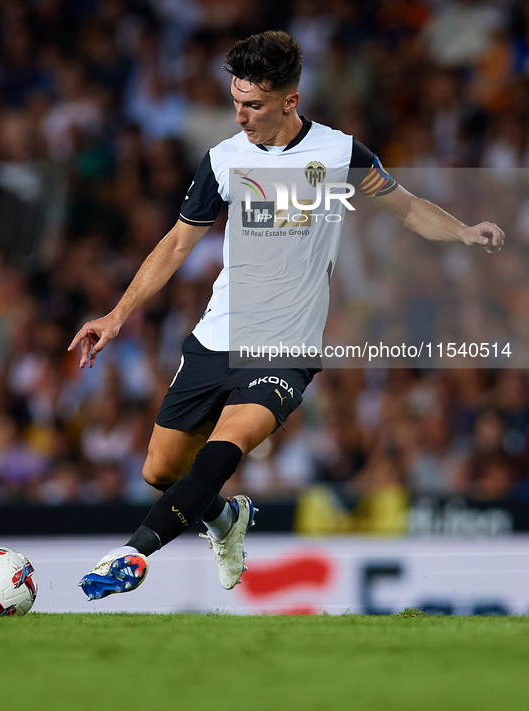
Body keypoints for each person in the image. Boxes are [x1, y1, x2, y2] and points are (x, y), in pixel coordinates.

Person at [69, 30, 504, 601]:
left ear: (290, 101)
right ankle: (225, 521)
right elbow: (177, 243)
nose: (241, 116)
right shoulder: (224, 159)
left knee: (222, 453)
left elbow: (407, 208)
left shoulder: (339, 152)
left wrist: (465, 233)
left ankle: (132, 554)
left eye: (253, 105)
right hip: (215, 337)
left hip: (285, 349)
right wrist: (117, 313)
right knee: (160, 471)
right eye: (235, 102)